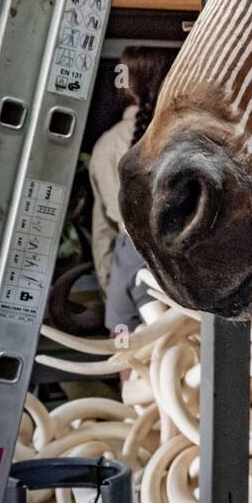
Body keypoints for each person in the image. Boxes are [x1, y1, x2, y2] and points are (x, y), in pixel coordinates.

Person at [89, 46, 175, 330]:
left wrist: (111, 286)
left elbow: (103, 233)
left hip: (128, 265)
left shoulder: (105, 147)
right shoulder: (188, 140)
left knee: (132, 362)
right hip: (184, 269)